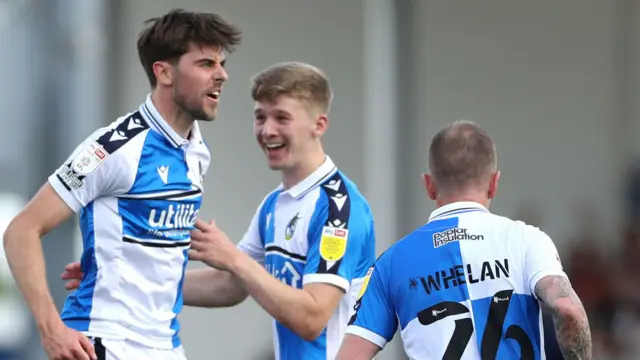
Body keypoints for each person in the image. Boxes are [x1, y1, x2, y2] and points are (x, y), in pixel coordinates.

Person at [63, 61, 377, 360]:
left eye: (282, 118)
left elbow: (312, 319)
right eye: (260, 117)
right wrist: (121, 280)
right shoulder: (274, 204)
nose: (267, 130)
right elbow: (230, 285)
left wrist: (233, 258)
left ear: (318, 125)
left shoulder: (340, 209)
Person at [3, 8, 241, 360]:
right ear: (164, 72)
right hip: (106, 342)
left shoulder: (196, 149)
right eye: (206, 64)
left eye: (221, 64)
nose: (221, 75)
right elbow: (21, 230)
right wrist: (51, 328)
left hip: (166, 346)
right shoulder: (114, 147)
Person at [335, 120, 592, 360]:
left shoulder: (391, 263)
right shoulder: (527, 240)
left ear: (429, 185)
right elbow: (568, 309)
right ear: (493, 183)